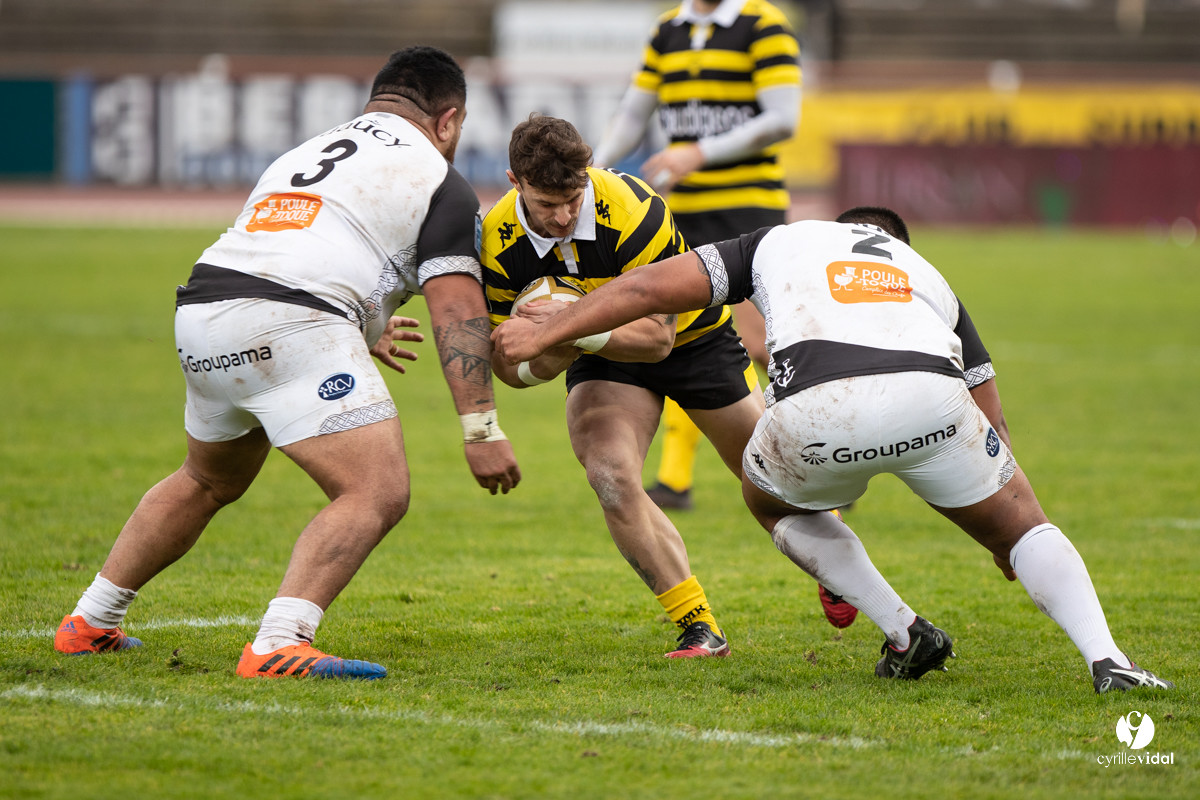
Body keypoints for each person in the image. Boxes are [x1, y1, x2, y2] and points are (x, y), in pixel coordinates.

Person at [492, 206, 1174, 693]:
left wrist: (550, 329)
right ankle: (1108, 659)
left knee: (767, 502)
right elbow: (985, 394)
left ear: (845, 227)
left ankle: (904, 631)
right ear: (891, 240)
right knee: (1025, 524)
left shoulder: (782, 241)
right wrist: (1003, 529)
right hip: (934, 402)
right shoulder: (922, 268)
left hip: (820, 411)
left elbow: (647, 287)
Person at [54, 46, 522, 680]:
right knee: (375, 490)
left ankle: (89, 621)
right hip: (292, 322)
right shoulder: (442, 181)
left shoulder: (305, 153)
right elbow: (456, 313)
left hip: (202, 312)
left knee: (207, 479)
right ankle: (280, 641)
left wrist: (357, 323)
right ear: (449, 120)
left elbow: (300, 243)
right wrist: (481, 429)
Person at [481, 114, 764, 658]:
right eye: (546, 205)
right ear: (515, 182)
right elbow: (509, 366)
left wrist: (561, 330)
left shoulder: (633, 206)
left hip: (692, 342)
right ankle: (698, 625)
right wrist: (547, 348)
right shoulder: (496, 238)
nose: (563, 216)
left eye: (573, 198)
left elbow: (657, 339)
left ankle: (836, 566)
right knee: (610, 475)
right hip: (607, 359)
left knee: (773, 479)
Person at [593, 0, 802, 514]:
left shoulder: (763, 24)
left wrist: (699, 152)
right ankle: (675, 479)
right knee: (688, 334)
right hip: (682, 214)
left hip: (748, 208)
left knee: (762, 344)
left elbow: (783, 119)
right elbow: (633, 113)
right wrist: (592, 171)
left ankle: (812, 460)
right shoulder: (668, 29)